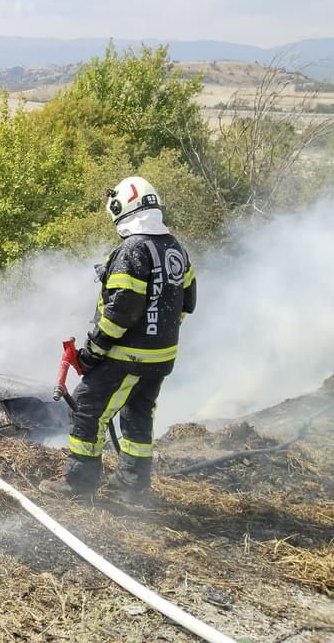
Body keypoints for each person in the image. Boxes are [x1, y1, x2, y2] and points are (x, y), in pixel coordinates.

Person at [40, 176, 197, 502]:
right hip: (161, 358)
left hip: (127, 356)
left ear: (121, 207)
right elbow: (188, 301)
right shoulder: (174, 247)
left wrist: (94, 351)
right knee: (138, 417)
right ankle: (132, 489)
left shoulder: (132, 249)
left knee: (87, 409)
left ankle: (78, 485)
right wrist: (159, 336)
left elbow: (121, 310)